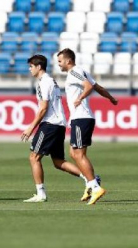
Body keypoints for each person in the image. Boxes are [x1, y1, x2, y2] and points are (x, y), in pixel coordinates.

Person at [22, 54, 98, 202]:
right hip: (58, 124)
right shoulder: (51, 81)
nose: (29, 69)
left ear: (38, 67)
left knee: (34, 157)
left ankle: (41, 193)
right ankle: (90, 179)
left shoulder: (45, 82)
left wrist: (31, 127)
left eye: (31, 66)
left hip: (50, 124)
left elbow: (43, 108)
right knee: (58, 162)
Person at [57, 48, 118, 205]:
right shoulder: (81, 71)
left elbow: (88, 87)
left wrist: (80, 98)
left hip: (81, 117)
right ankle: (91, 183)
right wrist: (110, 98)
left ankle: (95, 186)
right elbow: (97, 86)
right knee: (73, 152)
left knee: (79, 154)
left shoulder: (74, 72)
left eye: (60, 61)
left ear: (68, 61)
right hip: (81, 118)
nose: (58, 64)